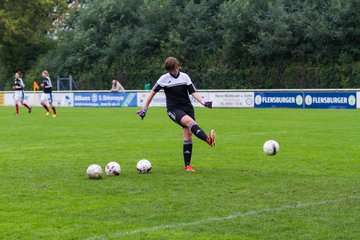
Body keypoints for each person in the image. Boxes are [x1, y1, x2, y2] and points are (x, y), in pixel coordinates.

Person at [137, 56, 215, 172]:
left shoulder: (185, 77)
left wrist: (204, 102)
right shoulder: (163, 79)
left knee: (188, 136)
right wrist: (144, 109)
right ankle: (208, 140)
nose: (171, 72)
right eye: (169, 70)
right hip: (173, 110)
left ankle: (187, 166)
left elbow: (193, 92)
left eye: (173, 69)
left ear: (177, 66)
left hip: (188, 108)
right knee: (189, 122)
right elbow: (152, 93)